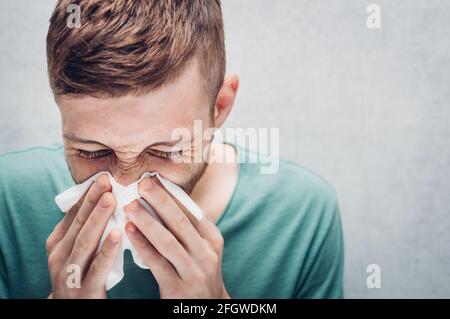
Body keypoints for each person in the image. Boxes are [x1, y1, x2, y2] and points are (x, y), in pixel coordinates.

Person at [0, 0, 344, 298]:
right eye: (92, 150)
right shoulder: (9, 201)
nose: (126, 184)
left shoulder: (302, 216)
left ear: (220, 106)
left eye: (166, 151)